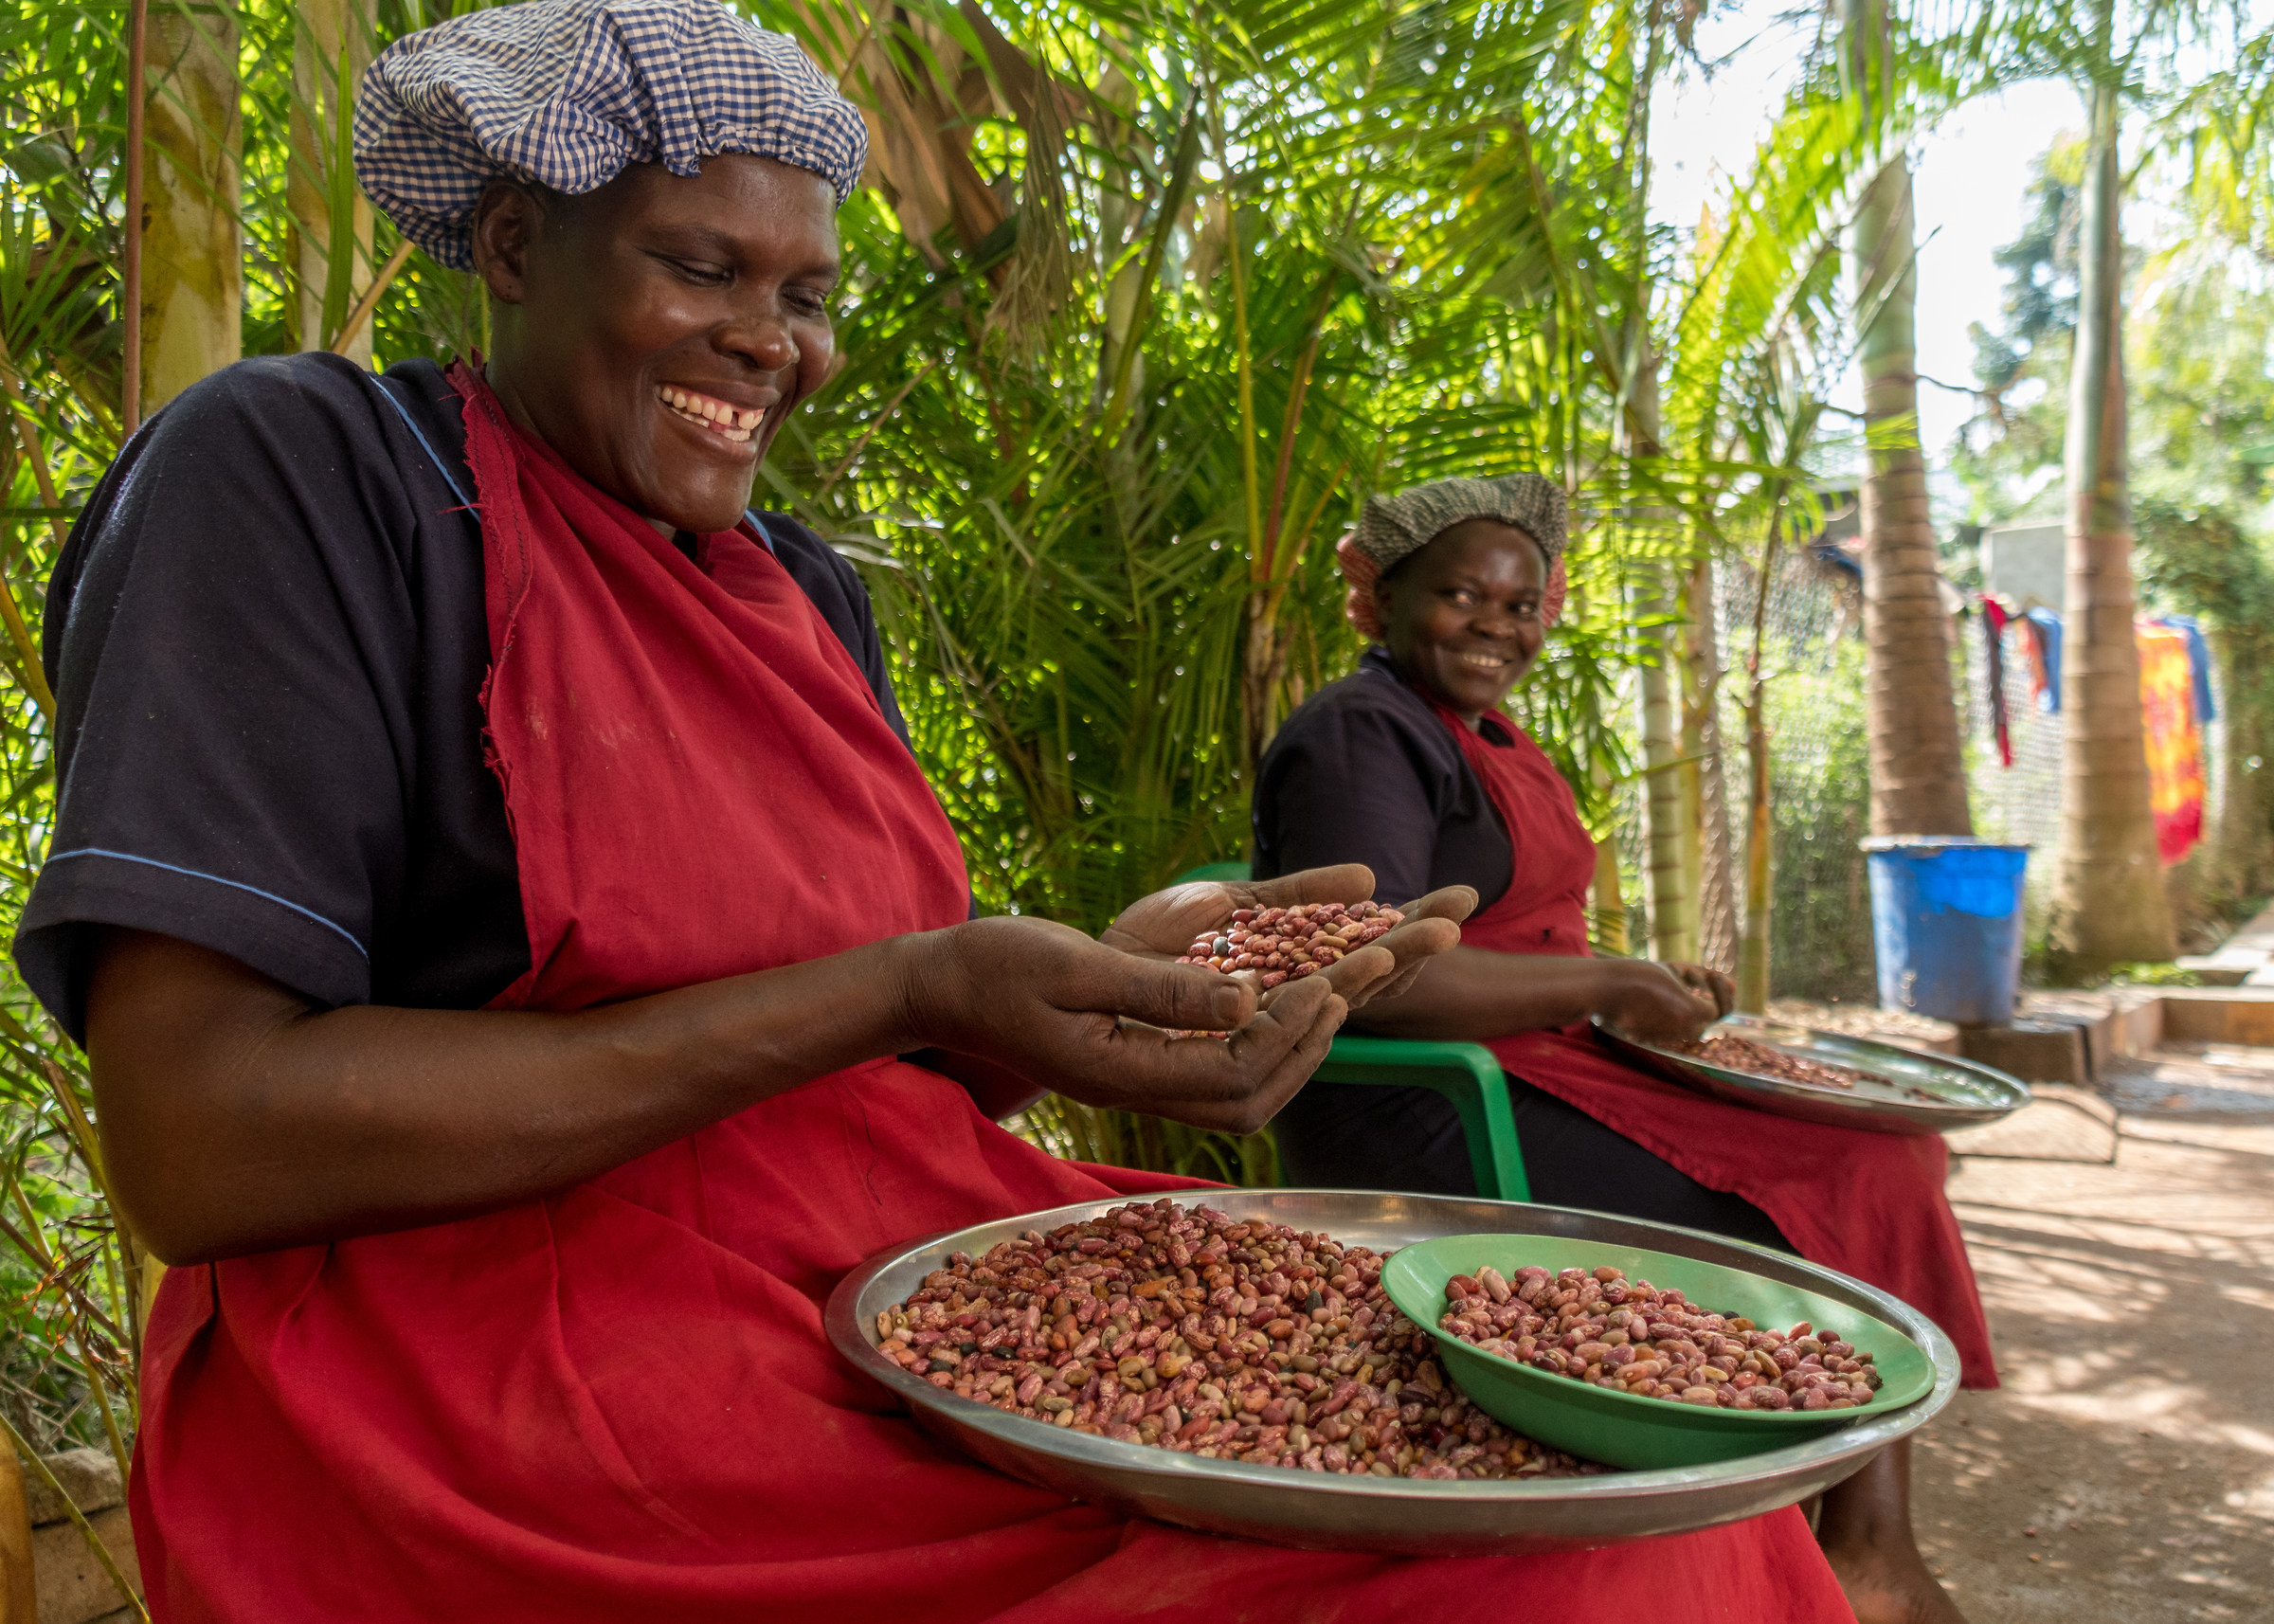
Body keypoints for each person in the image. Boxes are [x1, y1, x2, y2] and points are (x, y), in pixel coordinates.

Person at [18, 4, 1857, 1618]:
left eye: (805, 293)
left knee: (1629, 1486)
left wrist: (1083, 997)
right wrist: (908, 989)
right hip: (497, 1386)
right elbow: (204, 1143)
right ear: (512, 242)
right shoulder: (309, 478)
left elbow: (862, 1065)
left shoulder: (807, 593)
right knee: (1561, 1567)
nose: (772, 343)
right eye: (699, 266)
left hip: (902, 1263)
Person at [1253, 474, 1997, 1624]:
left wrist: (1645, 989)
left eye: (1524, 606)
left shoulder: (1480, 731)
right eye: (1462, 595)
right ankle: (1861, 1552)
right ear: (1380, 599)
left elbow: (1522, 931)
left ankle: (1849, 1541)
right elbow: (1379, 974)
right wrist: (1608, 978)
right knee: (1852, 1181)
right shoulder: (1360, 732)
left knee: (1881, 1141)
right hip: (1428, 1101)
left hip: (1538, 1059)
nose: (1499, 626)